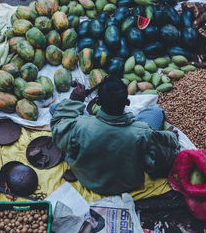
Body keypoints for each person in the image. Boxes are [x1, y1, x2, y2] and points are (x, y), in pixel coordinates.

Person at [50, 75, 180, 195]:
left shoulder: (80, 126)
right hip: (126, 184)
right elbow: (164, 155)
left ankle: (75, 169)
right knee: (156, 112)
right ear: (127, 102)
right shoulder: (142, 132)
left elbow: (58, 128)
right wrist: (170, 137)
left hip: (88, 179)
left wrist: (75, 99)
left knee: (55, 109)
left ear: (98, 102)